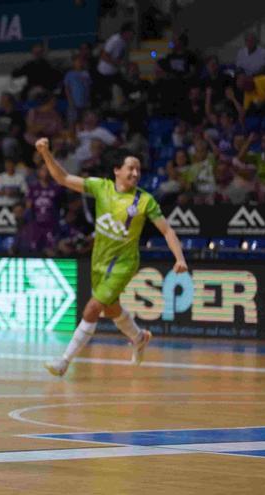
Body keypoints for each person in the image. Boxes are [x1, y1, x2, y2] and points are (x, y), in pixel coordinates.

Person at [35, 137, 188, 377]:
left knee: (93, 308)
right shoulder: (101, 187)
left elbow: (167, 230)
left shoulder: (144, 200)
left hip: (124, 263)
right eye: (131, 168)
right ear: (117, 170)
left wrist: (180, 258)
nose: (136, 173)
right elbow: (63, 178)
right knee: (111, 309)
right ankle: (139, 338)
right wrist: (46, 153)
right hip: (100, 261)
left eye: (138, 169)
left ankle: (64, 361)